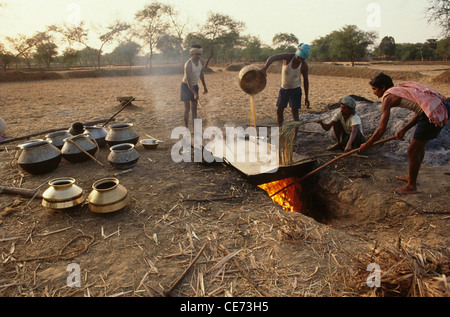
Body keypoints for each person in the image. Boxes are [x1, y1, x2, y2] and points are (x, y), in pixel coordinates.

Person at [359, 73, 449, 195]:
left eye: (374, 89)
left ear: (383, 88)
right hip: (436, 108)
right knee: (418, 147)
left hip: (434, 113)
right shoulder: (400, 89)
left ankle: (411, 186)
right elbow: (421, 109)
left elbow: (381, 129)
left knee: (412, 150)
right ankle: (411, 176)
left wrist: (368, 144)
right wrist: (404, 129)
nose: (373, 92)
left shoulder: (388, 97)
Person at [260, 43, 310, 135]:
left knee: (295, 114)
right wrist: (265, 68)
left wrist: (306, 97)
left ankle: (295, 136)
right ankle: (281, 131)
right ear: (296, 53)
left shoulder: (304, 65)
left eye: (302, 59)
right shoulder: (288, 57)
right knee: (279, 111)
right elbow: (273, 57)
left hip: (295, 91)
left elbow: (306, 81)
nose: (300, 60)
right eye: (299, 57)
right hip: (284, 90)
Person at [180, 45, 208, 130]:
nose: (198, 56)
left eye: (200, 54)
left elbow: (201, 74)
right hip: (185, 86)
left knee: (194, 109)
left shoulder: (202, 61)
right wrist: (194, 93)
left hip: (195, 86)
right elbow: (188, 81)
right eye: (196, 54)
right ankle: (186, 128)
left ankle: (194, 129)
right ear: (192, 54)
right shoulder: (188, 64)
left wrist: (204, 87)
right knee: (187, 108)